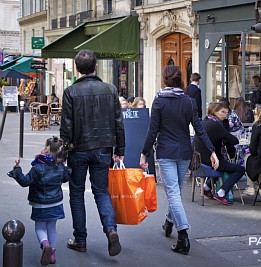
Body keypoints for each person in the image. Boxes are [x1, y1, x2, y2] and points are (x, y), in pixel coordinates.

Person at [140, 65, 218, 255]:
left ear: (165, 80)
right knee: (175, 190)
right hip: (184, 151)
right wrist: (212, 150)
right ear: (181, 80)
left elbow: (153, 131)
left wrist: (144, 153)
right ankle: (169, 222)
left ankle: (183, 234)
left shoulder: (159, 102)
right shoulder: (189, 102)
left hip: (166, 151)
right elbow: (199, 129)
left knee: (173, 192)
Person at [60, 50, 125, 257]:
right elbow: (118, 123)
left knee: (77, 193)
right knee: (101, 191)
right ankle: (111, 230)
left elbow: (66, 128)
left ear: (77, 69)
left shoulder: (71, 92)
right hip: (103, 148)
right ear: (95, 67)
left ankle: (80, 240)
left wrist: (62, 154)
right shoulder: (111, 90)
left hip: (78, 149)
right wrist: (120, 150)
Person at [7, 136, 70, 265]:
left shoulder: (37, 167)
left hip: (40, 204)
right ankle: (52, 254)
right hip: (56, 203)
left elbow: (25, 182)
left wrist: (17, 170)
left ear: (46, 149)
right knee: (52, 227)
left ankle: (45, 244)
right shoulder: (60, 167)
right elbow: (65, 178)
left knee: (40, 227)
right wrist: (67, 169)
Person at [194, 102, 245, 205]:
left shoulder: (206, 121)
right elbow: (234, 140)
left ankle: (207, 187)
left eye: (227, 113)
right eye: (222, 112)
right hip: (210, 161)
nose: (225, 115)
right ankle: (221, 192)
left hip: (198, 160)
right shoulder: (215, 125)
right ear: (214, 111)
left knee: (223, 166)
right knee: (240, 169)